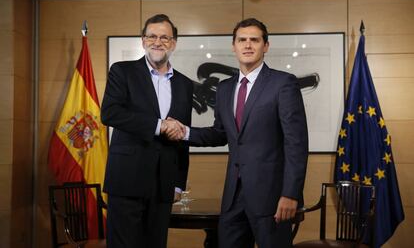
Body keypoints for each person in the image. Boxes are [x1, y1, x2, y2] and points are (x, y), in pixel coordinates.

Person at [168, 18, 308, 247]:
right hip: (233, 196)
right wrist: (184, 133)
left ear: (266, 46)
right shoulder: (225, 89)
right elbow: (219, 134)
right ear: (233, 46)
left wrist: (291, 193)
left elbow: (296, 144)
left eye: (255, 39)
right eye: (242, 40)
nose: (248, 45)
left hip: (272, 197)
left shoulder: (283, 83)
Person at [101, 14, 193, 248]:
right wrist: (159, 125)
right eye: (152, 36)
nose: (157, 42)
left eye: (164, 37)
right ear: (143, 40)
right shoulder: (122, 71)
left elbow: (182, 138)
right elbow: (110, 113)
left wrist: (178, 183)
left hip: (163, 185)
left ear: (173, 43)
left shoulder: (184, 84)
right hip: (126, 180)